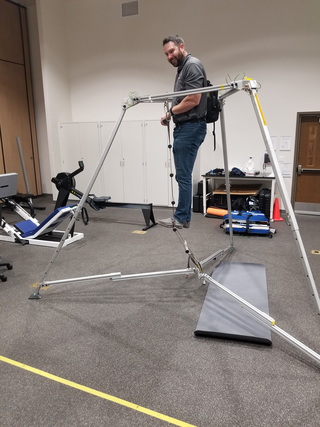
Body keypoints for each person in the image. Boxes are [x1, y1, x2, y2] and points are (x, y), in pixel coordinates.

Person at [158, 35, 207, 229]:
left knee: (183, 176)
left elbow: (193, 99)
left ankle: (181, 218)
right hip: (185, 127)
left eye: (172, 51)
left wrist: (170, 112)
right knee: (182, 175)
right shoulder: (183, 68)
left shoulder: (192, 65)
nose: (169, 56)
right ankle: (182, 216)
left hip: (191, 127)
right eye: (166, 54)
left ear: (182, 47)